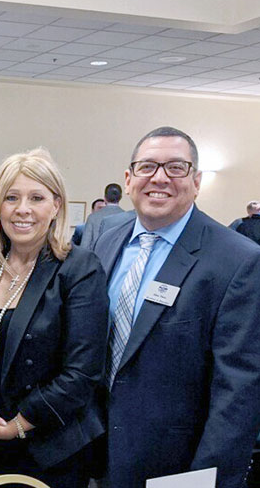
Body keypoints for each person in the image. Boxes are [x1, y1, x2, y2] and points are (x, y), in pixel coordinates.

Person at [92, 126, 260, 488]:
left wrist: (204, 480)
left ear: (196, 181)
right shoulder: (107, 241)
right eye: (148, 167)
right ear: (129, 178)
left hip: (175, 468)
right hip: (94, 458)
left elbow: (239, 392)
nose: (160, 178)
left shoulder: (238, 261)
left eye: (176, 168)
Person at [0, 148, 108, 487]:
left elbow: (82, 373)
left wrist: (15, 427)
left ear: (56, 205)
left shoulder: (79, 269)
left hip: (53, 447)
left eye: (37, 197)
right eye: (11, 197)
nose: (22, 209)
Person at [80, 183, 124, 248]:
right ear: (120, 197)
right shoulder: (128, 219)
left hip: (96, 256)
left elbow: (84, 245)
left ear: (105, 198)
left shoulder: (93, 217)